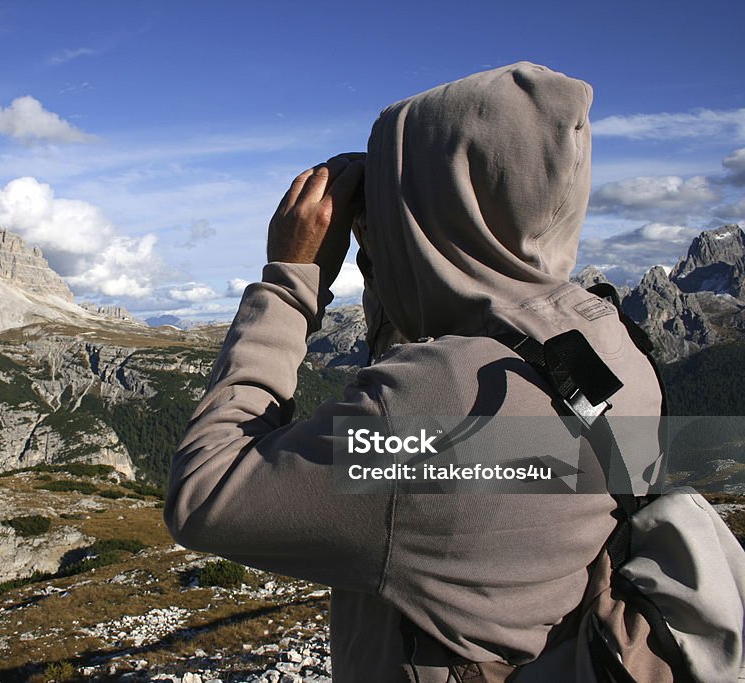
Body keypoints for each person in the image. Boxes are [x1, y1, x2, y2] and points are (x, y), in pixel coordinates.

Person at [164, 62, 662, 681]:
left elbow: (203, 496)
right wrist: (399, 259)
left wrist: (291, 282)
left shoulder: (441, 400)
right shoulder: (605, 340)